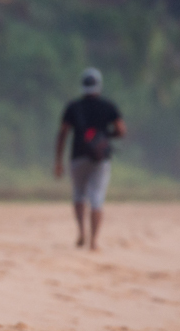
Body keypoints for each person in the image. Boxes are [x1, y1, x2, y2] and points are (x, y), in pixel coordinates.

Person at [54, 68, 126, 251]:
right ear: (99, 85)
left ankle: (81, 232)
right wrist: (106, 135)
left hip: (77, 156)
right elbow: (121, 130)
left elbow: (63, 134)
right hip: (100, 159)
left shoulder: (73, 107)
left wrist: (58, 161)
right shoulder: (108, 106)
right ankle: (93, 241)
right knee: (97, 198)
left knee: (79, 194)